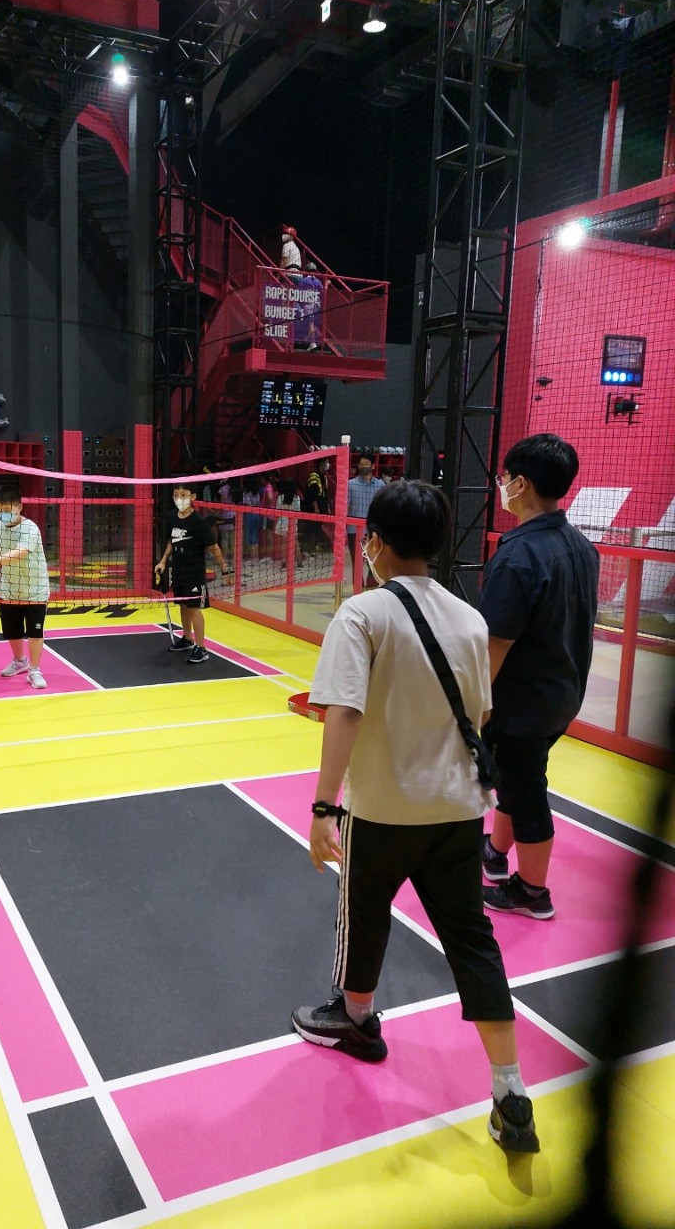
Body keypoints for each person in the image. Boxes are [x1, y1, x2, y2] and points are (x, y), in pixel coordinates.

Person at [292, 479, 540, 1155]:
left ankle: (356, 1017)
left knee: (363, 914)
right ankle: (510, 1089)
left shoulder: (361, 613)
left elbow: (343, 711)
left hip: (383, 811)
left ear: (374, 541)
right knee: (473, 942)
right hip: (458, 811)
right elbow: (478, 713)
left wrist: (324, 806)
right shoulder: (469, 618)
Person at [479, 434, 599, 920]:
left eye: (505, 478)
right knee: (517, 779)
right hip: (561, 695)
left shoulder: (518, 557)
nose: (502, 485)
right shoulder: (581, 547)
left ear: (521, 483)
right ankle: (494, 851)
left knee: (526, 791)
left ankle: (532, 891)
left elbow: (496, 643)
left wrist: (475, 705)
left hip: (521, 703)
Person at [0, 482, 50, 690]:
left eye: (7, 509)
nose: (2, 514)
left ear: (19, 507)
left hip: (35, 589)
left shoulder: (30, 529)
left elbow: (20, 552)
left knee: (35, 632)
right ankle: (20, 661)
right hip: (10, 589)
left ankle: (35, 670)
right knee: (12, 631)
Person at [154, 482, 228, 664]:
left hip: (194, 573)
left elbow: (214, 547)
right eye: (176, 495)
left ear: (193, 497)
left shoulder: (199, 522)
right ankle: (187, 639)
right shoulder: (172, 516)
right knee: (183, 606)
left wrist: (226, 571)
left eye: (183, 495)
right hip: (178, 570)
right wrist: (163, 561)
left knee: (194, 609)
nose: (179, 499)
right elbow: (172, 541)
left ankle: (201, 648)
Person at [346, 454, 385, 584]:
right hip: (354, 531)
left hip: (374, 531)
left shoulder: (380, 485)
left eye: (366, 464)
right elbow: (346, 507)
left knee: (374, 561)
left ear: (373, 466)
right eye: (361, 464)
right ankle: (358, 589)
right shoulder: (350, 485)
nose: (363, 467)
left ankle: (371, 587)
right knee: (357, 562)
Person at [297, 262, 324, 351]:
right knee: (311, 323)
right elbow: (321, 291)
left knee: (310, 324)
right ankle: (308, 339)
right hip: (316, 305)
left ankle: (313, 343)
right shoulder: (318, 281)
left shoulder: (304, 281)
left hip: (308, 305)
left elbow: (299, 292)